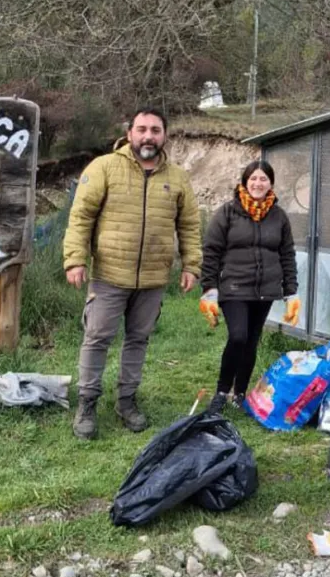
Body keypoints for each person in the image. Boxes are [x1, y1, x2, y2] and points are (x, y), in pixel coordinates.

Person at [63, 107, 202, 440]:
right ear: (129, 134)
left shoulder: (178, 177)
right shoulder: (104, 168)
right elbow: (81, 216)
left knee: (138, 340)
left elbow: (189, 225)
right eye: (142, 129)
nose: (148, 136)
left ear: (164, 135)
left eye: (155, 130)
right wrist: (75, 259)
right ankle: (87, 403)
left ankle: (127, 401)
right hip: (109, 274)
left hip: (153, 278)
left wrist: (191, 265)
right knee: (97, 339)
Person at [199, 160, 300, 414]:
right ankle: (222, 391)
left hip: (265, 289)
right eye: (253, 178)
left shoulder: (279, 217)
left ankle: (240, 393)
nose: (258, 183)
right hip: (233, 286)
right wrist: (210, 291)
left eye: (263, 179)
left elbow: (287, 254)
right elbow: (211, 252)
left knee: (252, 342)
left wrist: (291, 292)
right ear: (244, 182)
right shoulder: (228, 213)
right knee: (238, 336)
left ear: (271, 184)